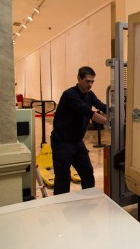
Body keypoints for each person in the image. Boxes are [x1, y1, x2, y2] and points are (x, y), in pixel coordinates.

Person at [51, 66, 107, 195]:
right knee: (63, 179)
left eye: (92, 81)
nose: (90, 85)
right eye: (87, 81)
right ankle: (61, 209)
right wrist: (109, 123)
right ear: (79, 78)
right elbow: (88, 112)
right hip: (62, 143)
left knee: (88, 174)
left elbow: (100, 105)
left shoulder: (89, 94)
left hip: (77, 142)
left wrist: (118, 110)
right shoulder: (69, 95)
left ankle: (86, 205)